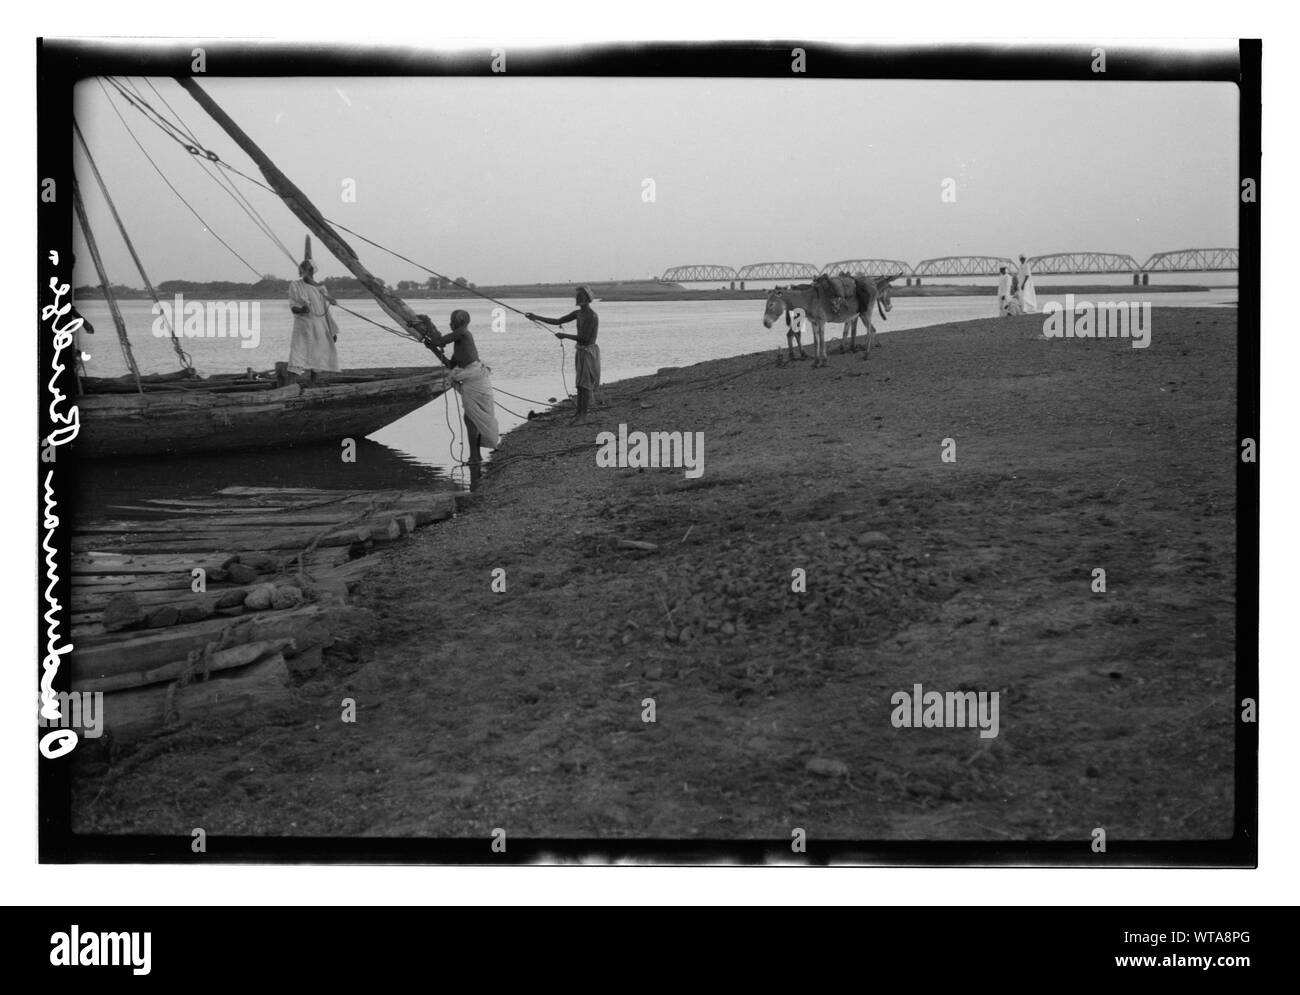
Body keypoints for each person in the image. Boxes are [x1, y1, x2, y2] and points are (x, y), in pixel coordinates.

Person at [417, 309, 500, 467]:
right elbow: (450, 364)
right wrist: (433, 349)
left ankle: (474, 457)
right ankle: (475, 456)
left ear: (458, 323)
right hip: (473, 383)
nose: (450, 324)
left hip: (476, 383)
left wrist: (427, 321)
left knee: (470, 419)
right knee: (470, 419)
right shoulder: (460, 340)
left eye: (452, 321)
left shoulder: (462, 333)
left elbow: (440, 341)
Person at [526, 286, 601, 425]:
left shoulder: (592, 316)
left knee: (585, 385)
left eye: (581, 297)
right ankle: (578, 414)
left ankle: (582, 417)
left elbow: (584, 338)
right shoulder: (578, 313)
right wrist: (536, 317)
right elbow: (558, 321)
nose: (578, 299)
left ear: (587, 299)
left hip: (588, 352)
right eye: (577, 297)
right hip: (581, 351)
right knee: (579, 385)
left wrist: (564, 335)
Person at [288, 256, 341, 374]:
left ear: (311, 271)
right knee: (298, 355)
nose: (301, 270)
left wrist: (332, 331)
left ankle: (315, 384)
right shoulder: (295, 285)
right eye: (302, 267)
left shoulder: (321, 288)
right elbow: (293, 306)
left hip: (319, 327)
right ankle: (296, 383)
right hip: (303, 326)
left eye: (305, 268)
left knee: (318, 357)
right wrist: (302, 310)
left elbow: (326, 312)